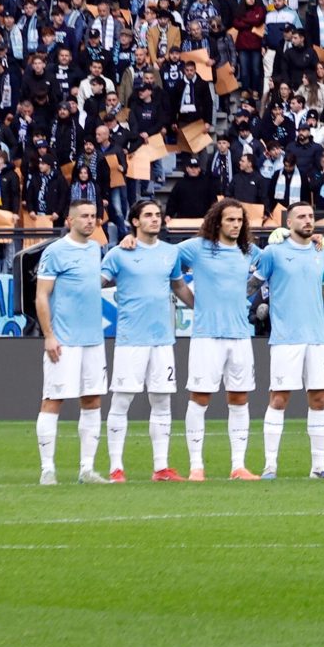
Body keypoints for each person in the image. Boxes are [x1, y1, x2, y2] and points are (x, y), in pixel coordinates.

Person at [252, 201, 324, 480]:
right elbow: (253, 285)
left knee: (319, 398)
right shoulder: (273, 253)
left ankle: (319, 467)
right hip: (285, 339)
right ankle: (270, 466)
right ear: (288, 223)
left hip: (316, 337)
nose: (307, 220)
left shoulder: (321, 252)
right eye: (301, 216)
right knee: (279, 399)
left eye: (311, 216)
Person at [174, 199, 260, 481]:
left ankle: (238, 466)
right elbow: (163, 259)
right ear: (217, 221)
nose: (235, 225)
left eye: (239, 220)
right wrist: (192, 301)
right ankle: (196, 466)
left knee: (239, 398)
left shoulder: (248, 251)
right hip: (207, 336)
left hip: (240, 336)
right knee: (200, 398)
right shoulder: (197, 248)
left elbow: (275, 261)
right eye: (230, 220)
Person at [100, 200, 182, 481]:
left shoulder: (171, 253)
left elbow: (179, 285)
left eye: (158, 215)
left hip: (162, 340)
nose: (155, 219)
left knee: (162, 402)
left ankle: (161, 467)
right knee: (121, 401)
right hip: (131, 339)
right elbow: (96, 283)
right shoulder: (119, 254)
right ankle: (115, 468)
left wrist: (201, 307)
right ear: (135, 221)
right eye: (148, 215)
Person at [33, 199, 109, 484]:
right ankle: (47, 469)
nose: (90, 221)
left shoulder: (94, 249)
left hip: (93, 339)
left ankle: (86, 469)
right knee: (53, 399)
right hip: (64, 339)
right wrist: (49, 335)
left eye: (94, 217)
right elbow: (42, 295)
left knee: (91, 400)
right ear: (70, 220)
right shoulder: (55, 252)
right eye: (84, 217)